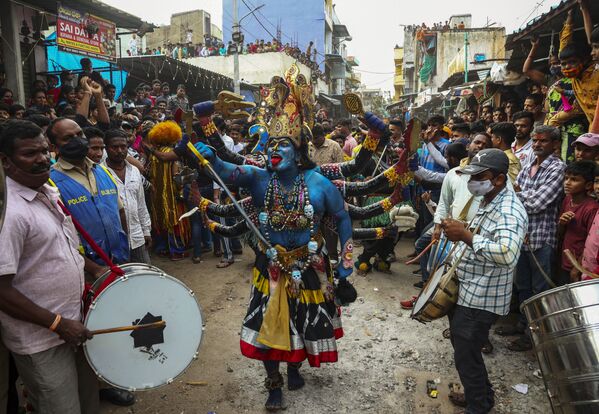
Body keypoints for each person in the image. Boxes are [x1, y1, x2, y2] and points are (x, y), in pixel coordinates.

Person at [191, 69, 355, 411]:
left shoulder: (320, 183)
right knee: (270, 324)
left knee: (304, 322)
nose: (273, 150)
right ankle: (274, 382)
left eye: (282, 145)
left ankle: (295, 365)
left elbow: (342, 219)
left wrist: (346, 265)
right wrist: (210, 155)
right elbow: (225, 170)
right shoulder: (258, 177)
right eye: (271, 144)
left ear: (299, 152)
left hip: (310, 263)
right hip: (272, 264)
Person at [0, 120, 102, 413]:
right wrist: (57, 324)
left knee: (88, 403)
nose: (43, 159)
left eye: (45, 151)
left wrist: (95, 270)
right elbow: (2, 289)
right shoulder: (10, 212)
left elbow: (63, 249)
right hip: (41, 340)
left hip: (75, 325)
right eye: (31, 154)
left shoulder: (47, 191)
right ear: (6, 161)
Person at [441, 148, 527, 414]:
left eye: (479, 176)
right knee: (465, 349)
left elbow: (507, 253)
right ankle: (480, 396)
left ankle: (478, 406)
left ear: (499, 179)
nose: (472, 182)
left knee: (466, 353)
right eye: (471, 176)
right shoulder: (490, 200)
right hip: (471, 288)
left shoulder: (509, 210)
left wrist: (466, 236)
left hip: (483, 297)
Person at [506, 125, 565, 352]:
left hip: (542, 238)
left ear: (555, 144)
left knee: (539, 291)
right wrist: (521, 194)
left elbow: (538, 202)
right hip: (522, 236)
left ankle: (535, 337)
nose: (538, 144)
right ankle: (522, 326)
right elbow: (513, 193)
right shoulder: (530, 165)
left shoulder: (557, 168)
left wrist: (520, 193)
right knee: (523, 286)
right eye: (535, 140)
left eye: (543, 141)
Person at [103, 129, 152, 264]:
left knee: (145, 275)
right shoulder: (100, 173)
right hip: (114, 241)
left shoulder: (134, 171)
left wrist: (146, 231)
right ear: (106, 148)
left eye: (123, 147)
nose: (119, 151)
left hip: (137, 237)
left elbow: (141, 203)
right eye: (114, 147)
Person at [557, 160, 598, 284]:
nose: (567, 183)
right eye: (566, 178)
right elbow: (560, 233)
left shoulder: (591, 208)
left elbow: (590, 241)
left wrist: (577, 267)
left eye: (574, 180)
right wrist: (562, 223)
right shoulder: (567, 200)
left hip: (580, 265)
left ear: (587, 185)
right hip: (565, 260)